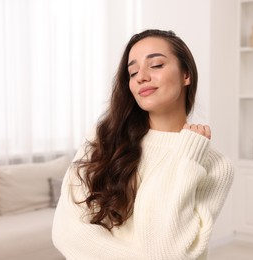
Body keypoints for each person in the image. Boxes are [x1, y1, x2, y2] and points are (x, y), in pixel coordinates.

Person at [52, 29, 234, 260]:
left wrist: (185, 157)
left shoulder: (215, 165)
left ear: (186, 74)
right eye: (133, 72)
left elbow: (167, 251)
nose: (141, 77)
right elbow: (67, 233)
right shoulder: (104, 139)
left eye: (156, 65)